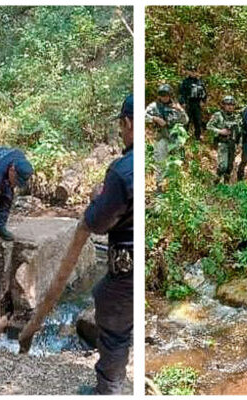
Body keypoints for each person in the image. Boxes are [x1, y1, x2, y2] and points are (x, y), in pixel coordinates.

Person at [84, 95, 133, 394]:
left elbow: (97, 223)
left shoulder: (123, 170)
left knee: (113, 324)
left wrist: (95, 199)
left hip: (125, 265)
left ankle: (109, 387)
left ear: (127, 123)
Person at [145, 84, 188, 191]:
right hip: (162, 138)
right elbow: (143, 116)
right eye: (162, 95)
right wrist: (155, 119)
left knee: (175, 163)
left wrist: (180, 110)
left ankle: (174, 188)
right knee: (160, 162)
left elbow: (185, 120)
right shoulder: (154, 106)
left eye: (166, 95)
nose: (164, 97)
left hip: (175, 139)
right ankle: (160, 187)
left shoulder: (175, 106)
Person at [207, 95, 242, 184]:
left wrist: (239, 144)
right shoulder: (218, 115)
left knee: (229, 167)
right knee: (223, 166)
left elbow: (239, 132)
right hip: (222, 143)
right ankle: (216, 182)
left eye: (232, 105)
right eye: (228, 104)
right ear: (224, 105)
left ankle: (225, 186)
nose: (230, 107)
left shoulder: (236, 117)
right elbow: (208, 127)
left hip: (232, 144)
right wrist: (220, 131)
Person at [179, 65, 207, 140]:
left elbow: (204, 93)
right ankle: (183, 137)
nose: (193, 73)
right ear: (188, 72)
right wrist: (182, 102)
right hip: (188, 103)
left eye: (194, 71)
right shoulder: (185, 81)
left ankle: (198, 137)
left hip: (197, 103)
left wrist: (203, 101)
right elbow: (181, 93)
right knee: (187, 120)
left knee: (197, 120)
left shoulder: (200, 82)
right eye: (191, 71)